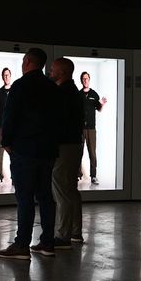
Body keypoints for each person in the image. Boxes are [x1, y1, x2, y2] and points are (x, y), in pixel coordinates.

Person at [0, 48, 59, 260]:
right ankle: (47, 242)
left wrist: (6, 142)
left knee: (25, 198)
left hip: (25, 149)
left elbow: (10, 116)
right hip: (47, 150)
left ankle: (22, 244)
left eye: (24, 60)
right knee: (45, 196)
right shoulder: (51, 87)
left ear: (29, 61)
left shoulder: (20, 86)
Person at [50, 58, 84, 248]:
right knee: (71, 190)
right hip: (74, 145)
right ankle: (75, 232)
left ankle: (63, 236)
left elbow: (57, 122)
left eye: (53, 69)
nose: (50, 72)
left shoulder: (62, 93)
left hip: (64, 146)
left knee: (62, 191)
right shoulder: (73, 92)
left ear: (62, 72)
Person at [78, 72, 107, 185]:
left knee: (92, 153)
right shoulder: (78, 94)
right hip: (80, 129)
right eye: (83, 79)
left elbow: (98, 108)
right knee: (78, 153)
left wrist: (102, 104)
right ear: (81, 80)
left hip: (91, 128)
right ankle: (78, 175)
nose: (85, 81)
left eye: (87, 79)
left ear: (89, 80)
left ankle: (93, 176)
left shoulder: (94, 94)